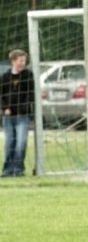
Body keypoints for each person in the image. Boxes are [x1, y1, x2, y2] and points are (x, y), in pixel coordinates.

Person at [0, 49, 35, 177]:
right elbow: (1, 95)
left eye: (24, 61)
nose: (23, 63)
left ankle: (19, 169)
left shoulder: (28, 75)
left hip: (22, 116)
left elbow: (30, 94)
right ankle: (7, 169)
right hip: (8, 117)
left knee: (21, 142)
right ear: (13, 61)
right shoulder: (4, 77)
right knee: (10, 142)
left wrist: (24, 109)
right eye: (21, 61)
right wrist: (5, 108)